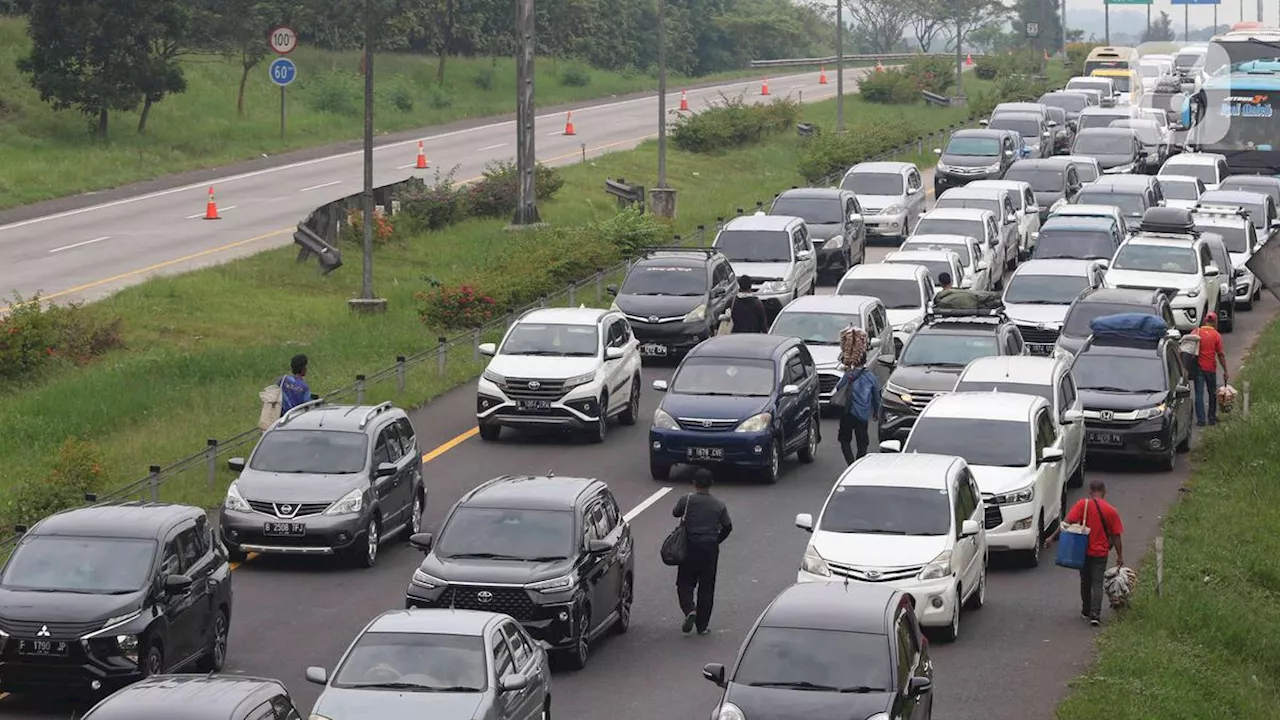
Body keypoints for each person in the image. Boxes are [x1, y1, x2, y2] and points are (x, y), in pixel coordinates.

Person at [1050, 479, 1124, 627]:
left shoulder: (1082, 505)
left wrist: (1051, 537)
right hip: (1101, 552)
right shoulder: (1111, 511)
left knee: (1085, 580)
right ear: (1104, 491)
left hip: (1082, 550)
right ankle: (1096, 614)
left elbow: (1066, 523)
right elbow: (1116, 536)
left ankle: (1086, 610)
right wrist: (1120, 555)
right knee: (1097, 582)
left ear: (1090, 491)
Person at [672, 476, 733, 635]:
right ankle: (702, 626)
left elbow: (675, 513)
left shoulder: (687, 500)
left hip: (689, 547)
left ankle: (689, 609)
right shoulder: (719, 505)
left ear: (694, 483)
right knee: (706, 587)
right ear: (711, 484)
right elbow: (727, 526)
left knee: (684, 583)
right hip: (709, 549)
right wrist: (716, 540)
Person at [832, 330, 882, 464]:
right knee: (863, 442)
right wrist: (876, 412)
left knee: (844, 440)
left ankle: (850, 463)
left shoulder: (849, 375)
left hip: (847, 412)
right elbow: (876, 397)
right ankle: (858, 463)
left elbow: (838, 388)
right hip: (863, 415)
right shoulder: (871, 377)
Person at [1193, 312, 1227, 426]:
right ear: (1215, 322)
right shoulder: (1216, 335)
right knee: (1212, 393)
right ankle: (1211, 418)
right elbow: (1221, 354)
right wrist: (1225, 370)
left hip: (1198, 368)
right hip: (1210, 368)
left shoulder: (1196, 332)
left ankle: (1201, 420)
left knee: (1199, 394)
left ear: (1204, 320)